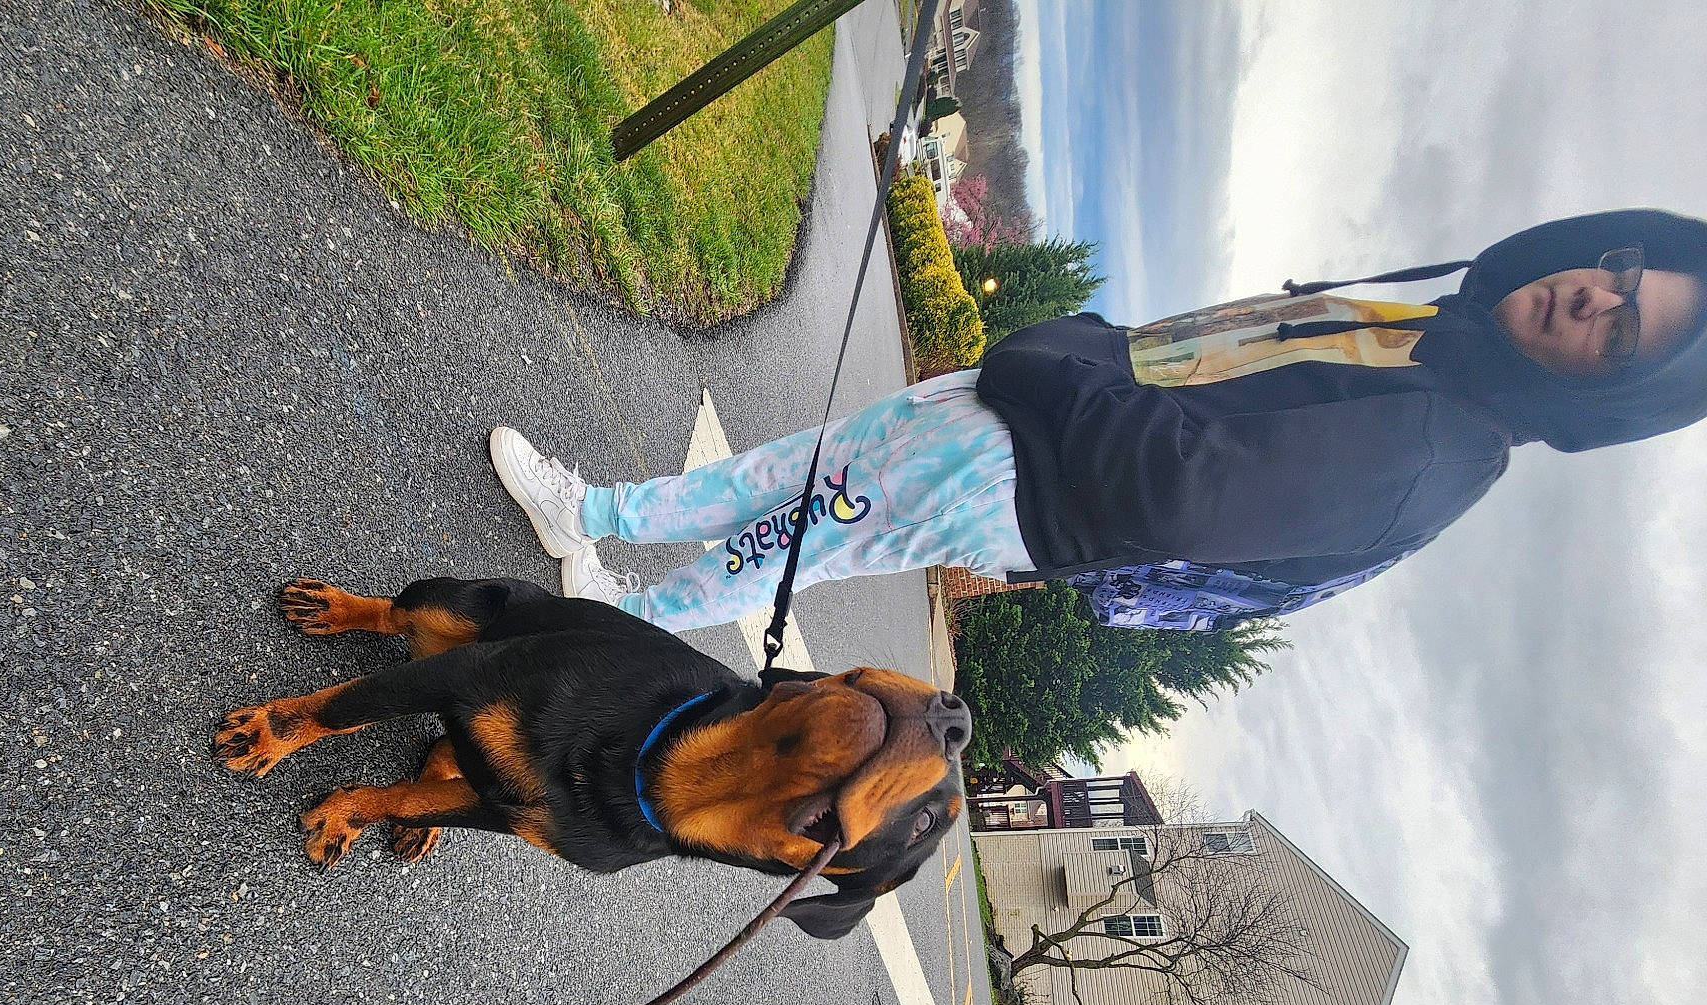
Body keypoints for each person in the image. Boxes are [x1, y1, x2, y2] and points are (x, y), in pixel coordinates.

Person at [490, 209, 1707, 633]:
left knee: (794, 541)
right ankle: (592, 516)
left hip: (1021, 479)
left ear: (1606, 392)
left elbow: (1182, 494)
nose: (1591, 300)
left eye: (1620, 335)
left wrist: (1048, 365)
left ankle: (607, 619)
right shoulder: (1429, 334)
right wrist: (1069, 347)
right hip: (1006, 421)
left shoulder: (1444, 449)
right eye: (1618, 273)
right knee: (785, 473)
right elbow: (1191, 363)